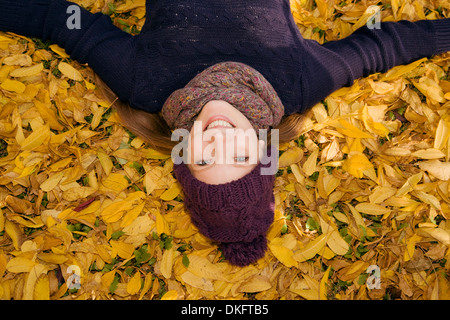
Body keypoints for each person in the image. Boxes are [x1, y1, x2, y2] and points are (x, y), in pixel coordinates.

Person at [1, 0, 449, 266]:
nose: (219, 142)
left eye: (204, 159)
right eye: (238, 159)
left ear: (182, 154)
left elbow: (63, 21)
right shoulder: (297, 82)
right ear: (263, 152)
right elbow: (381, 47)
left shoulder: (144, 83)